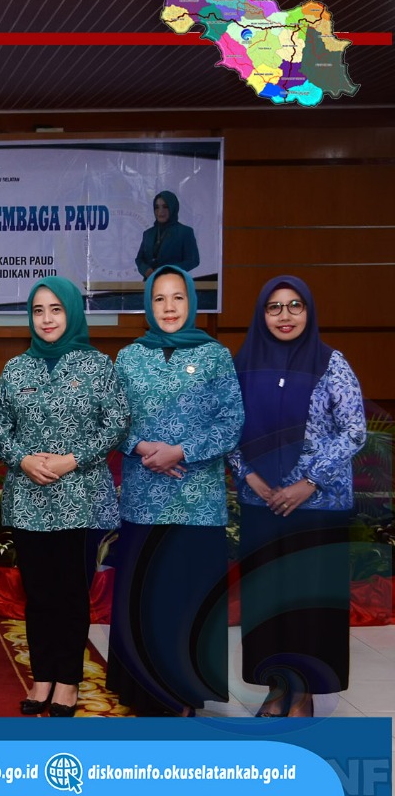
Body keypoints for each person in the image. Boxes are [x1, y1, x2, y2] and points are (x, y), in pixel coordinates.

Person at [0, 277, 128, 717]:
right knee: (39, 595)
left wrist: (73, 460)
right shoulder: (17, 368)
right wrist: (22, 459)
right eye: (38, 310)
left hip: (81, 499)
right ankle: (43, 677)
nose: (47, 319)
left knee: (71, 595)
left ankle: (68, 681)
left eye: (56, 309)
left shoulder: (98, 365)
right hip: (29, 500)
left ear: (71, 313)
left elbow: (117, 422)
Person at [108, 266, 243, 716]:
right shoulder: (129, 357)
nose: (169, 307)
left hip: (196, 502)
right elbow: (112, 419)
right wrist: (142, 447)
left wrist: (181, 451)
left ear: (191, 303)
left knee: (187, 600)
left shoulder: (215, 356)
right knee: (146, 598)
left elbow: (232, 422)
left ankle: (184, 694)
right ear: (148, 304)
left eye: (178, 298)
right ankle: (143, 690)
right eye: (160, 299)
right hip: (142, 501)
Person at [229, 276, 366, 718]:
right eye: (274, 307)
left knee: (310, 604)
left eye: (294, 306)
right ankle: (275, 689)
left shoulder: (331, 363)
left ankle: (304, 694)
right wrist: (249, 477)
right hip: (262, 503)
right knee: (269, 603)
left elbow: (354, 431)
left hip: (317, 507)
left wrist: (309, 481)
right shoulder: (244, 364)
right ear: (261, 314)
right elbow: (226, 428)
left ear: (308, 311)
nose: (284, 316)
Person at [134, 190, 199, 278]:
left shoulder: (185, 232)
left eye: (165, 207)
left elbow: (193, 260)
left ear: (173, 208)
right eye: (157, 207)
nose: (160, 211)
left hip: (174, 282)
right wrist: (146, 270)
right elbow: (139, 259)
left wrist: (168, 270)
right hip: (150, 282)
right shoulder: (148, 233)